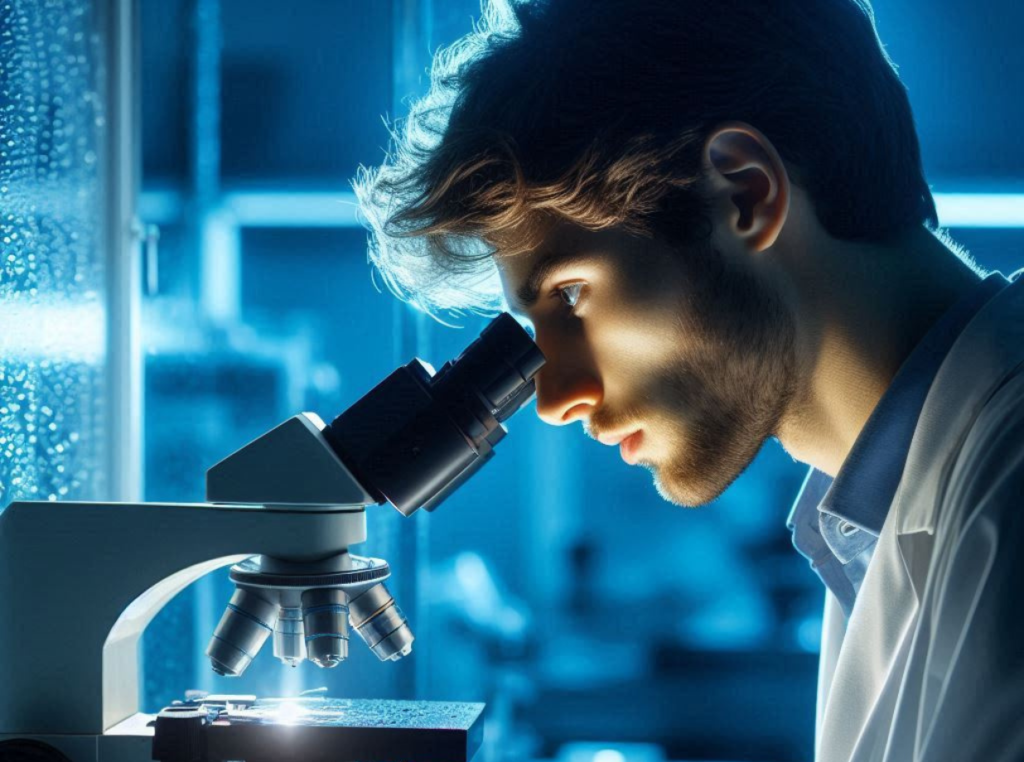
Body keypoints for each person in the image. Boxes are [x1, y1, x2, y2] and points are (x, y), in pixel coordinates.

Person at [353, 1, 1024, 759]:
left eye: (571, 295)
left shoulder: (1008, 480)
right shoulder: (875, 518)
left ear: (745, 193)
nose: (554, 397)